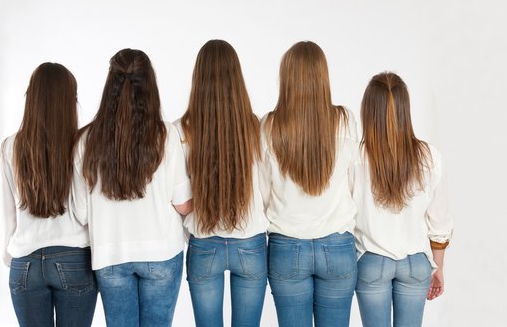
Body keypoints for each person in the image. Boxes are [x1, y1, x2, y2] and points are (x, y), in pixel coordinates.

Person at [72, 48, 192, 327]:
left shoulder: (85, 140)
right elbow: (183, 204)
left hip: (111, 256)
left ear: (109, 85)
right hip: (161, 254)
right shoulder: (167, 135)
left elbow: (81, 213)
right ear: (150, 86)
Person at [259, 41, 358, 327]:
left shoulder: (269, 125)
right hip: (338, 245)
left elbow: (264, 191)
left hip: (286, 246)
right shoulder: (345, 120)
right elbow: (353, 181)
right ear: (322, 76)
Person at [175, 39, 269, 327]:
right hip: (250, 243)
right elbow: (265, 190)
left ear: (198, 78)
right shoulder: (255, 126)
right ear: (236, 78)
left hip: (204, 245)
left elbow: (179, 200)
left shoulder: (182, 130)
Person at [0, 62, 97, 326]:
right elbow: (85, 212)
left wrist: (10, 257)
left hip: (24, 262)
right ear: (69, 101)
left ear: (31, 98)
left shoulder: (10, 147)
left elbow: (6, 215)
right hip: (74, 258)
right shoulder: (81, 146)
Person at [351, 72, 454, 327]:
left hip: (371, 261)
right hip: (416, 264)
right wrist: (437, 269)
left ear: (368, 110)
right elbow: (439, 224)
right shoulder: (430, 157)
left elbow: (346, 215)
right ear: (404, 110)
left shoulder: (354, 156)